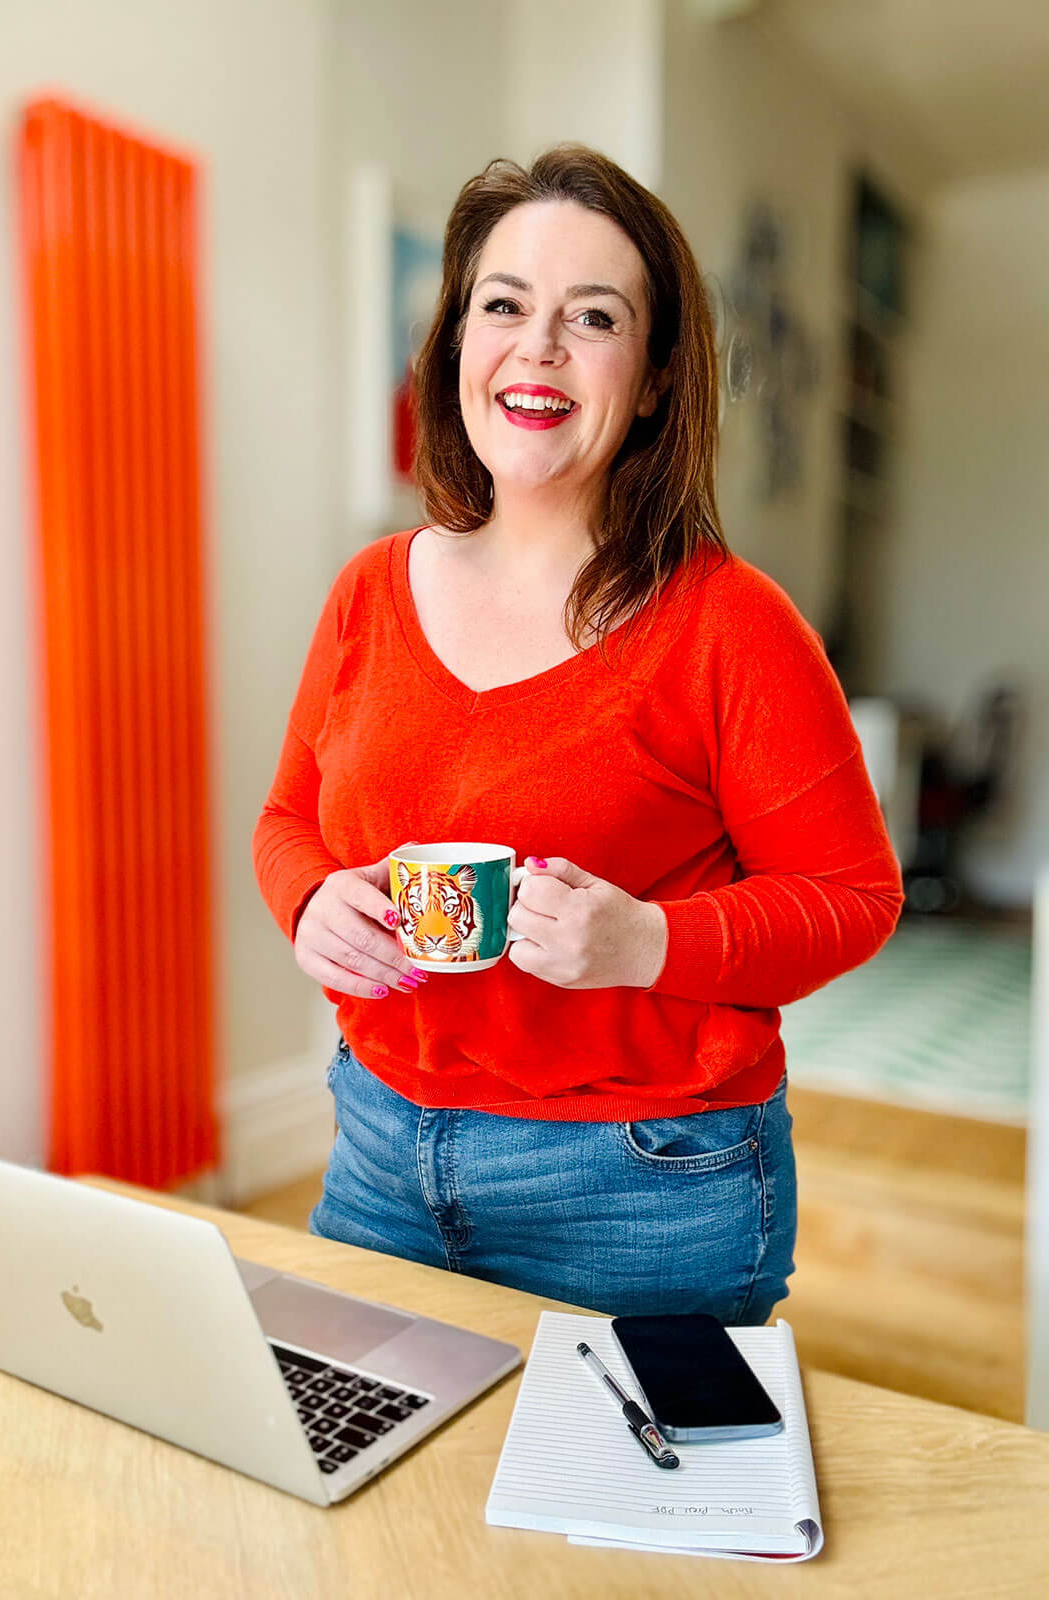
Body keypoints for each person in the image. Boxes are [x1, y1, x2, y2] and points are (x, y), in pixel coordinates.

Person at [252, 144, 903, 1324]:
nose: (538, 346)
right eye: (504, 306)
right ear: (459, 342)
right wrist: (308, 901)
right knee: (368, 1490)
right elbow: (288, 819)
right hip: (380, 1152)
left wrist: (649, 942)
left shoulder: (730, 624)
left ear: (654, 378)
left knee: (618, 1510)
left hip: (645, 1184)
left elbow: (854, 896)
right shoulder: (367, 592)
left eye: (592, 317)